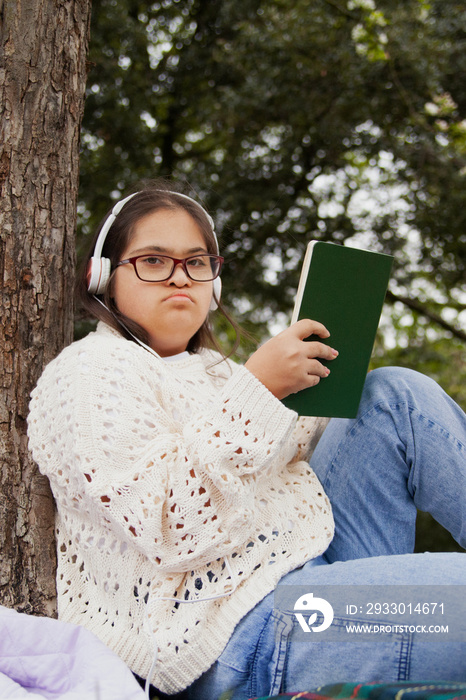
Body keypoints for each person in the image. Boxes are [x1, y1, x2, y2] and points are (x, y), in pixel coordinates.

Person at [27, 181, 466, 700]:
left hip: (307, 569)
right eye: (152, 261)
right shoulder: (90, 373)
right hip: (231, 637)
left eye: (196, 262)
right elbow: (168, 528)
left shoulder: (217, 371)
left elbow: (286, 467)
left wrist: (312, 389)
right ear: (103, 277)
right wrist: (258, 389)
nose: (179, 278)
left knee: (395, 393)